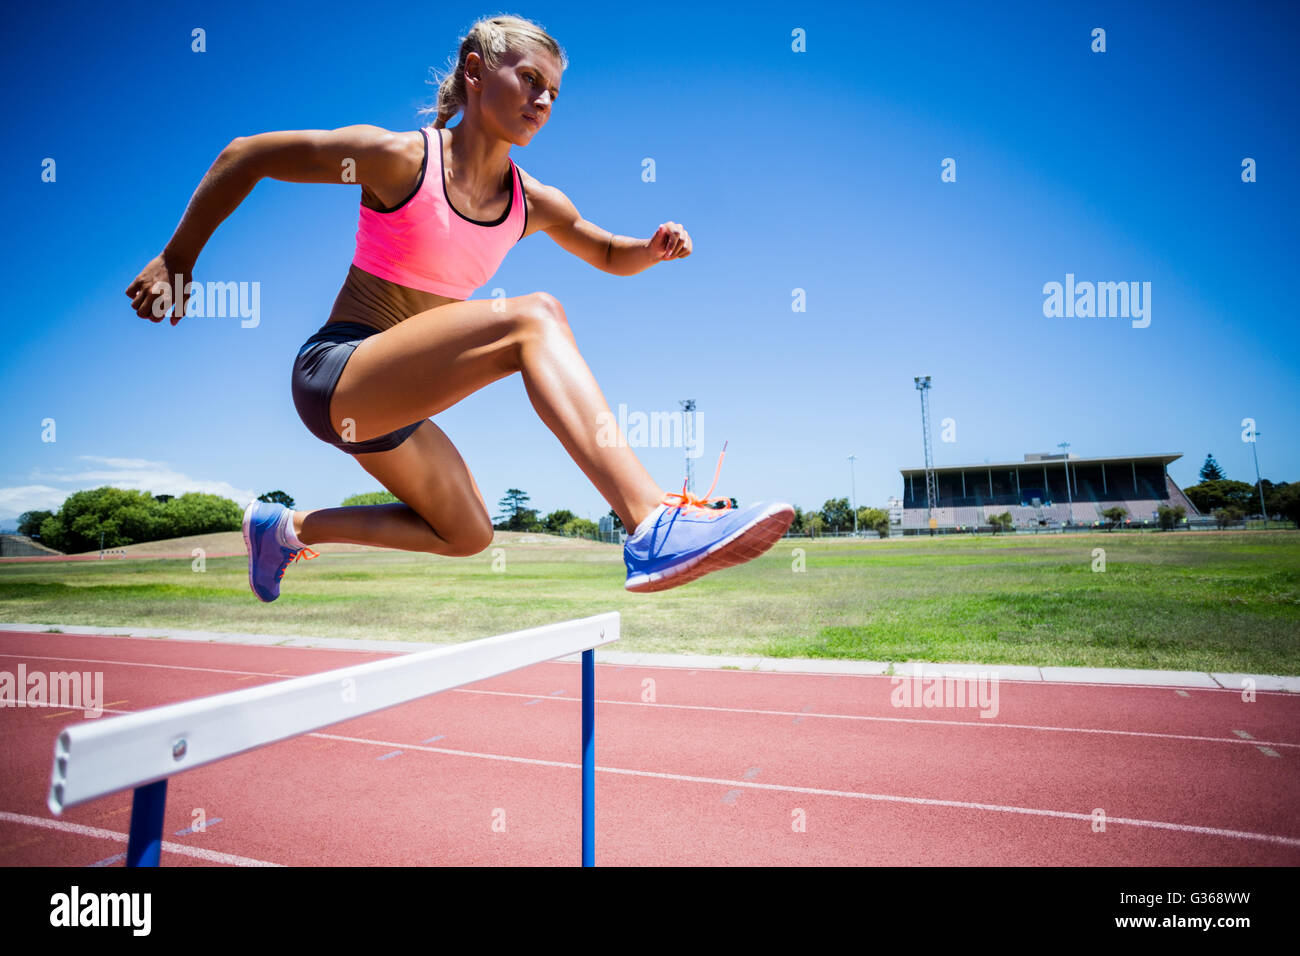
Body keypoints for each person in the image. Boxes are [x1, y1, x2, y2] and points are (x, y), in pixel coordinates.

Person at [124, 14, 793, 602]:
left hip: (395, 407)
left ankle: (286, 529)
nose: (544, 99)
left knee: (468, 532)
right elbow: (249, 155)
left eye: (554, 93)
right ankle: (651, 523)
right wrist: (178, 260)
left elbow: (608, 252)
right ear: (474, 71)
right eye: (530, 79)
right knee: (535, 316)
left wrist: (650, 248)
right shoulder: (398, 160)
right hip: (337, 371)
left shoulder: (535, 202)